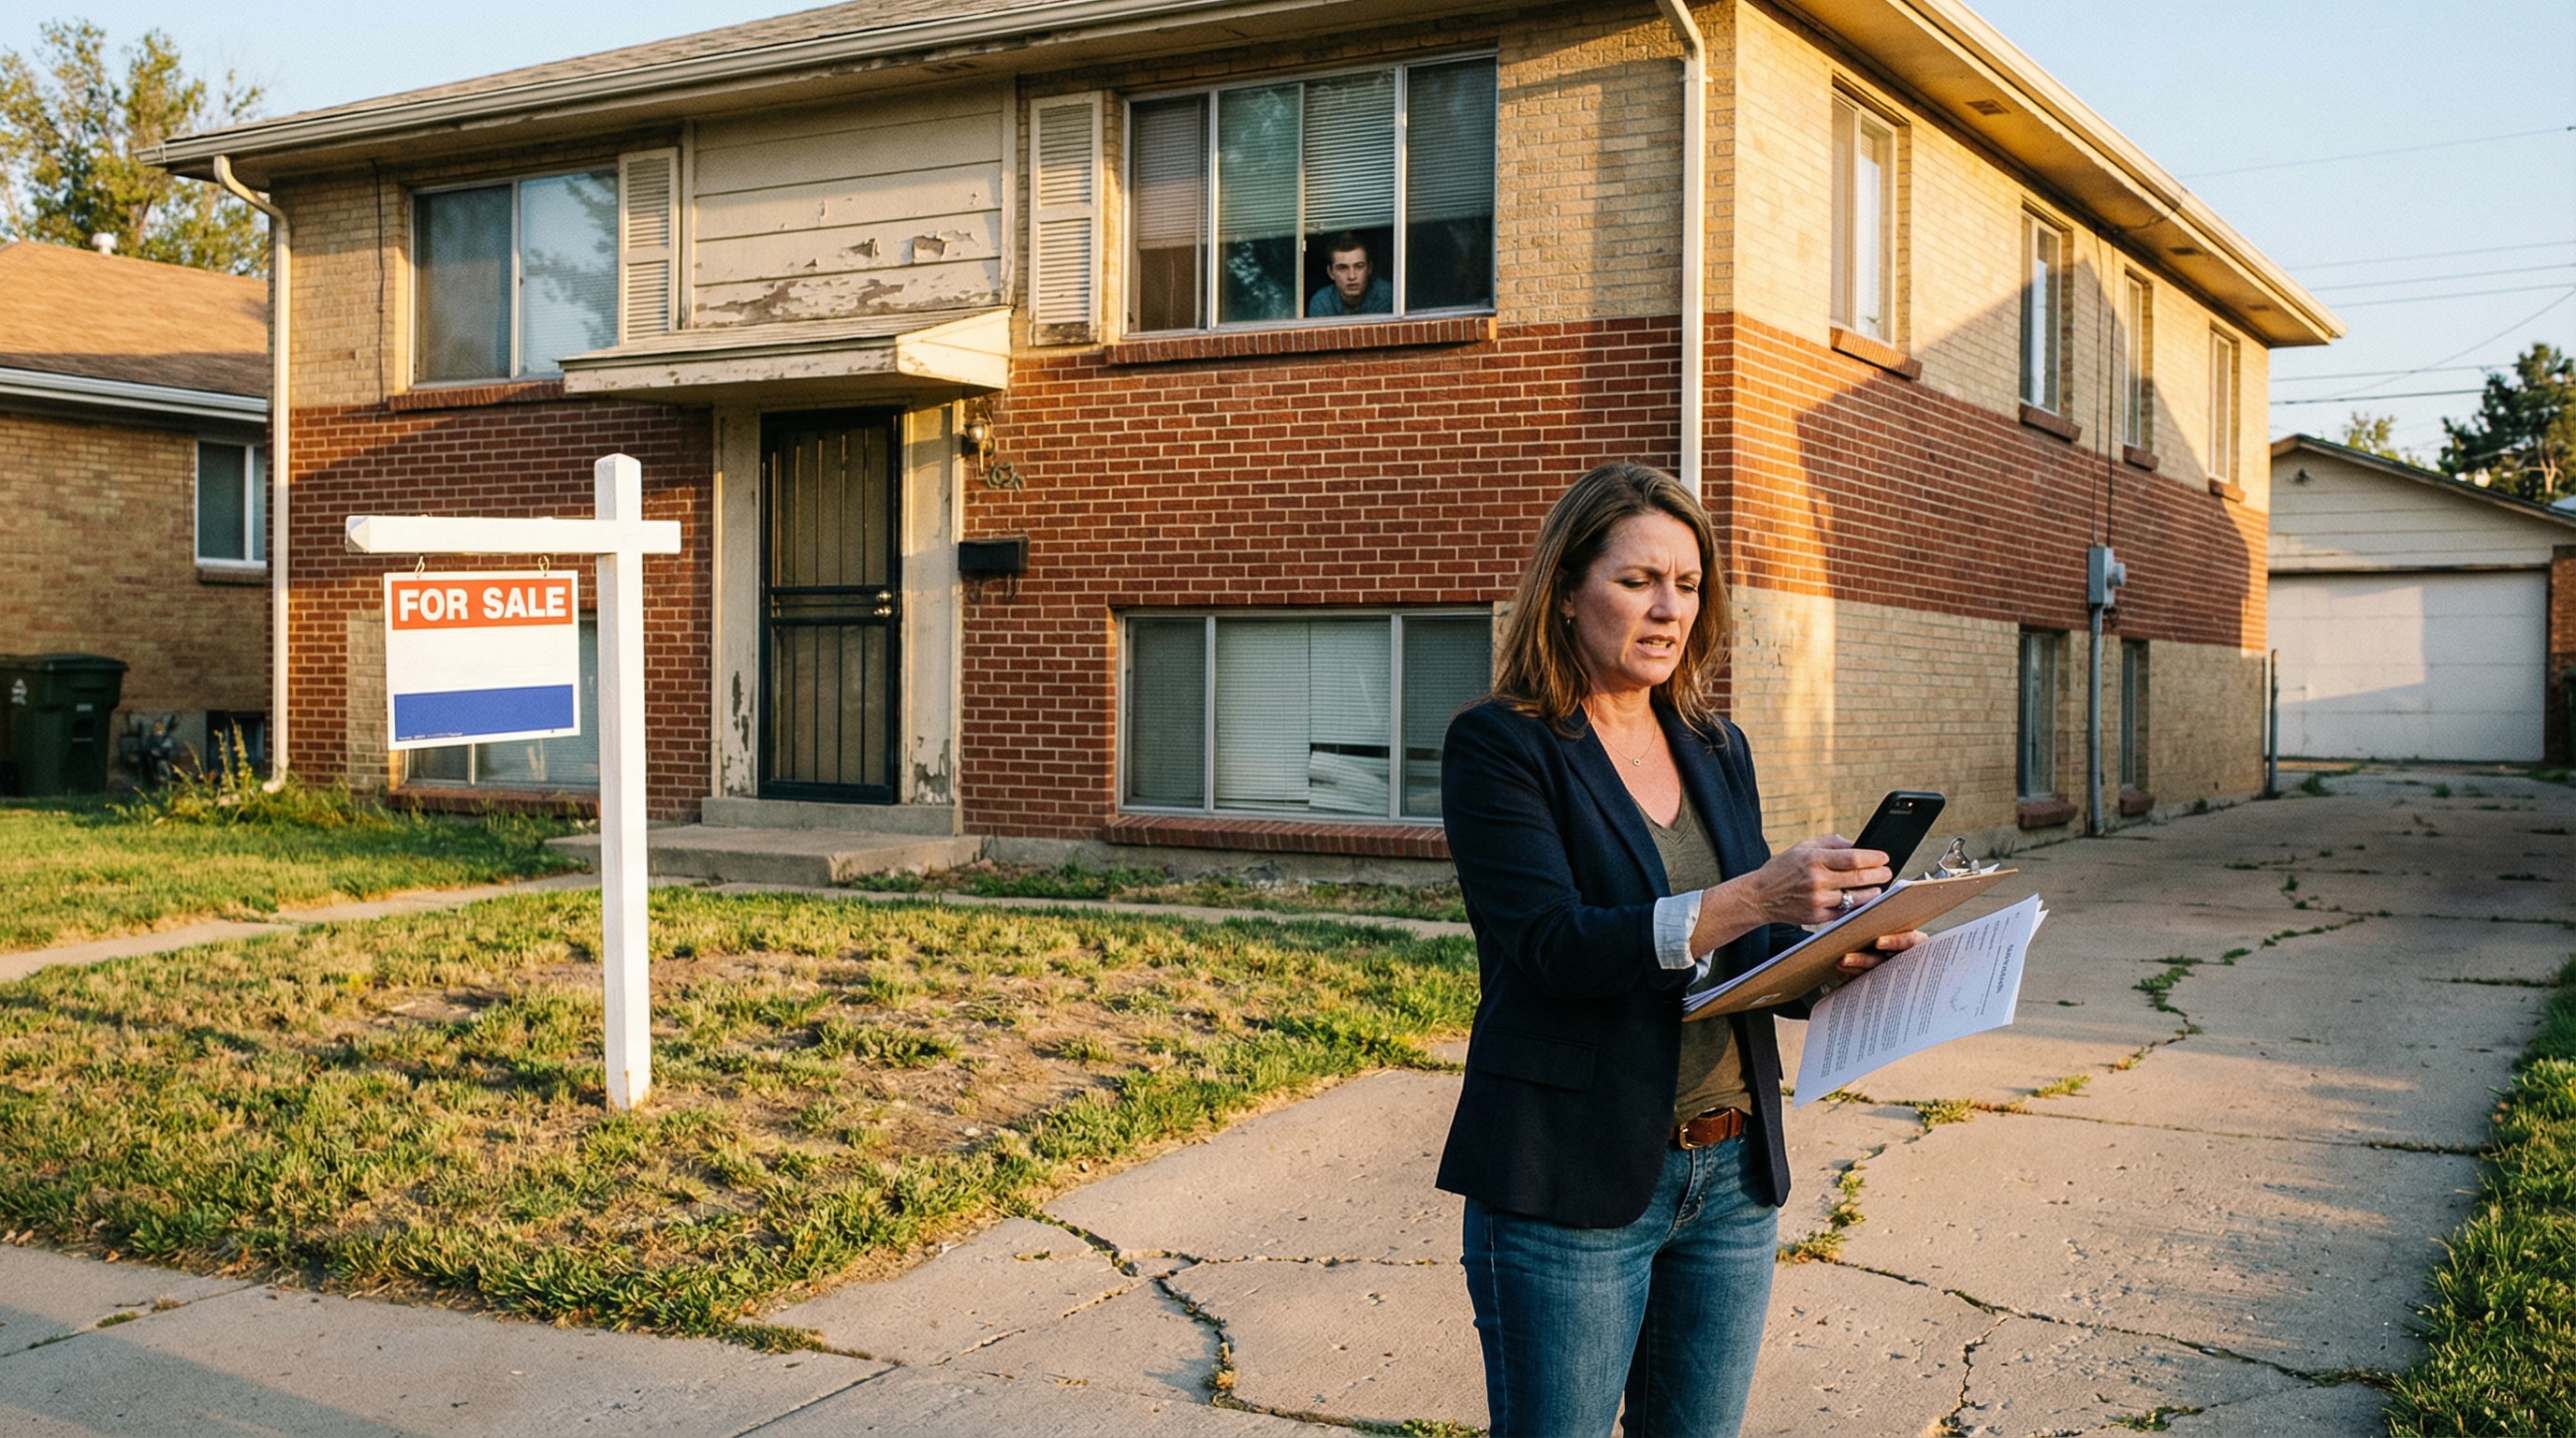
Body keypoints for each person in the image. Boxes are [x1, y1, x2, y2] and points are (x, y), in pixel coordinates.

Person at [1436, 462, 1925, 1437]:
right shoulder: (1501, 746)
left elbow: (1745, 942)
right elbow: (1551, 946)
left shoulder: (1714, 745)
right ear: (1567, 592)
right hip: (1569, 1185)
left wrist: (1834, 956)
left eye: (1689, 586)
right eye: (1637, 582)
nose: (1669, 611)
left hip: (1732, 1177)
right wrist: (1752, 894)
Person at [1308, 232, 1393, 316]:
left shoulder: (1386, 294)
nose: (1352, 276)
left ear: (1369, 269)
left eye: (1359, 266)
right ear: (1330, 272)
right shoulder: (1322, 301)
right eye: (1343, 268)